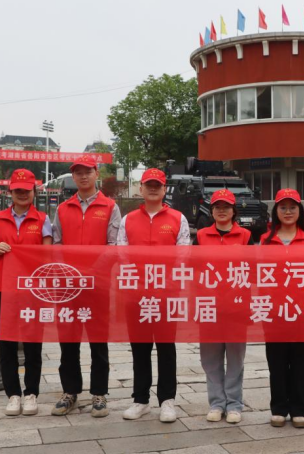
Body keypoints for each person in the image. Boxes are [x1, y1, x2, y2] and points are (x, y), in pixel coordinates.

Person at [119, 168, 191, 423]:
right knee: (139, 348)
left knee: (166, 347)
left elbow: (183, 254)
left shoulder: (178, 218)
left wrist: (166, 282)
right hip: (136, 294)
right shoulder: (128, 220)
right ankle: (140, 400)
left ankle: (167, 400)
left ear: (164, 189)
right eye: (148, 184)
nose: (152, 188)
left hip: (167, 293)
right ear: (141, 188)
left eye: (157, 185)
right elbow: (122, 254)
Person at [51, 156, 121, 418]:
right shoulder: (63, 208)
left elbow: (113, 245)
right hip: (67, 287)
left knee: (98, 341)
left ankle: (99, 394)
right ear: (73, 176)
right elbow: (56, 244)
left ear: (96, 174)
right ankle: (70, 391)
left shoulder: (110, 206)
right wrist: (69, 273)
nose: (83, 176)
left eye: (87, 172)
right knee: (68, 340)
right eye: (78, 172)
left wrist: (90, 273)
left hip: (97, 285)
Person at [0, 169, 51, 416]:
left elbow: (47, 254)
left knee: (33, 344)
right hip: (3, 289)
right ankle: (13, 394)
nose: (22, 194)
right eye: (18, 190)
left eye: (27, 190)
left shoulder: (43, 220)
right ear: (10, 192)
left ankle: (31, 393)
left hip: (33, 291)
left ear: (34, 192)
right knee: (6, 344)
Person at [195, 189, 253, 424]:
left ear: (233, 210)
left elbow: (252, 270)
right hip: (209, 305)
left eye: (226, 207)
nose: (221, 210)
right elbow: (194, 270)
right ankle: (217, 403)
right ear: (211, 211)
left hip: (236, 306)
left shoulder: (246, 236)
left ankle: (234, 404)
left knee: (236, 358)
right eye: (217, 207)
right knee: (210, 358)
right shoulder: (201, 236)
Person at [262, 189, 304, 429]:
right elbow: (258, 275)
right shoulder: (265, 241)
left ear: (299, 211)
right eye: (282, 207)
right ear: (275, 211)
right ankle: (278, 408)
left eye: (292, 207)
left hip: (303, 311)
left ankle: (299, 409)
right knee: (276, 361)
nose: (287, 212)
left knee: (300, 361)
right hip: (274, 311)